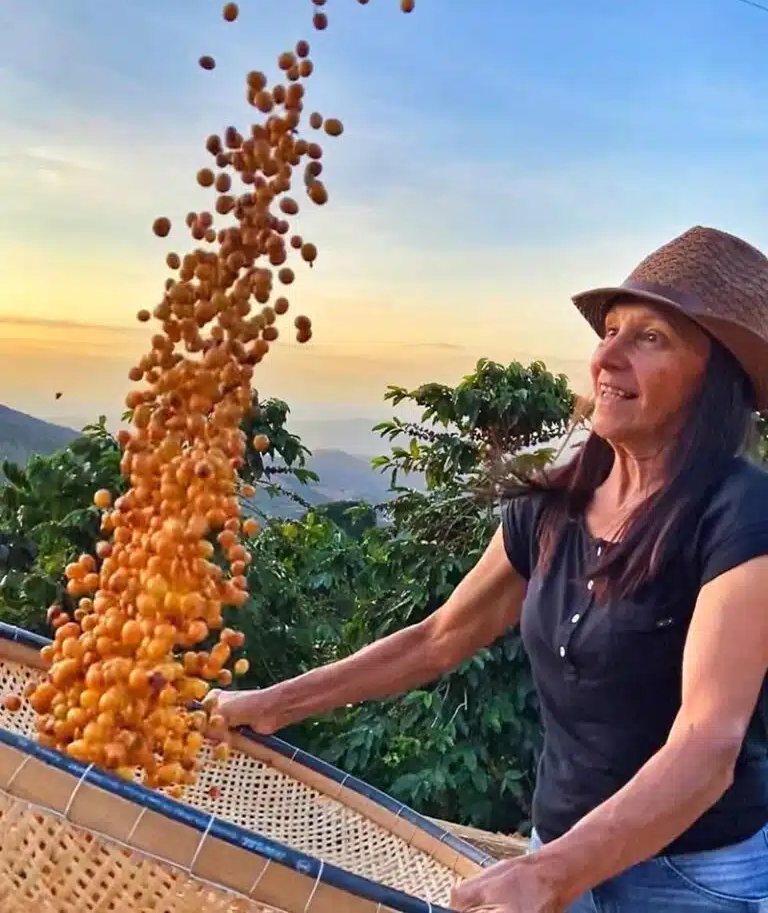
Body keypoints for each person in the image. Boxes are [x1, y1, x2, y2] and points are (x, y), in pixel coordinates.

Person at [209, 225, 768, 912]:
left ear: (714, 380)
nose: (607, 357)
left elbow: (708, 744)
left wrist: (553, 874)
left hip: (689, 880)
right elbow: (439, 637)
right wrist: (271, 703)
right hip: (558, 852)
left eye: (649, 338)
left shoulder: (740, 514)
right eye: (611, 331)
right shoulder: (557, 502)